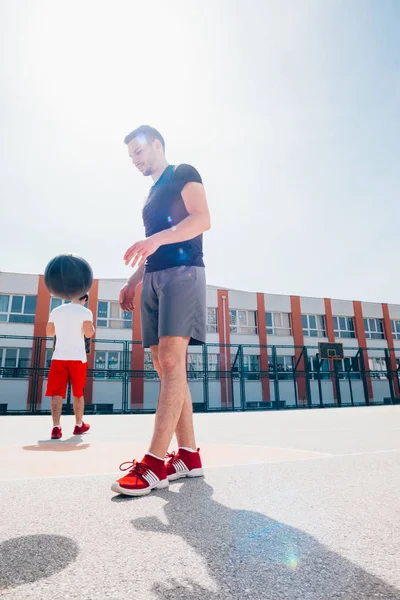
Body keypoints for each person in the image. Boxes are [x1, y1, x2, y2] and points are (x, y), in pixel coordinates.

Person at [112, 125, 211, 496]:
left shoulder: (183, 172)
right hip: (153, 279)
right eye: (130, 157)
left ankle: (154, 464)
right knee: (166, 366)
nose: (135, 161)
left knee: (171, 360)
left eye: (138, 153)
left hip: (184, 273)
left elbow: (202, 218)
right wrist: (133, 280)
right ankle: (188, 456)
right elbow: (153, 247)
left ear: (156, 144)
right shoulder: (151, 195)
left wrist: (157, 239)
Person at [45, 294, 95, 440]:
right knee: (78, 392)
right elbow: (88, 333)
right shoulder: (85, 312)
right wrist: (91, 328)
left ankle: (56, 428)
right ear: (84, 299)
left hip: (59, 357)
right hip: (77, 358)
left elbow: (49, 332)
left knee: (56, 393)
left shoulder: (56, 310)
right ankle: (79, 425)